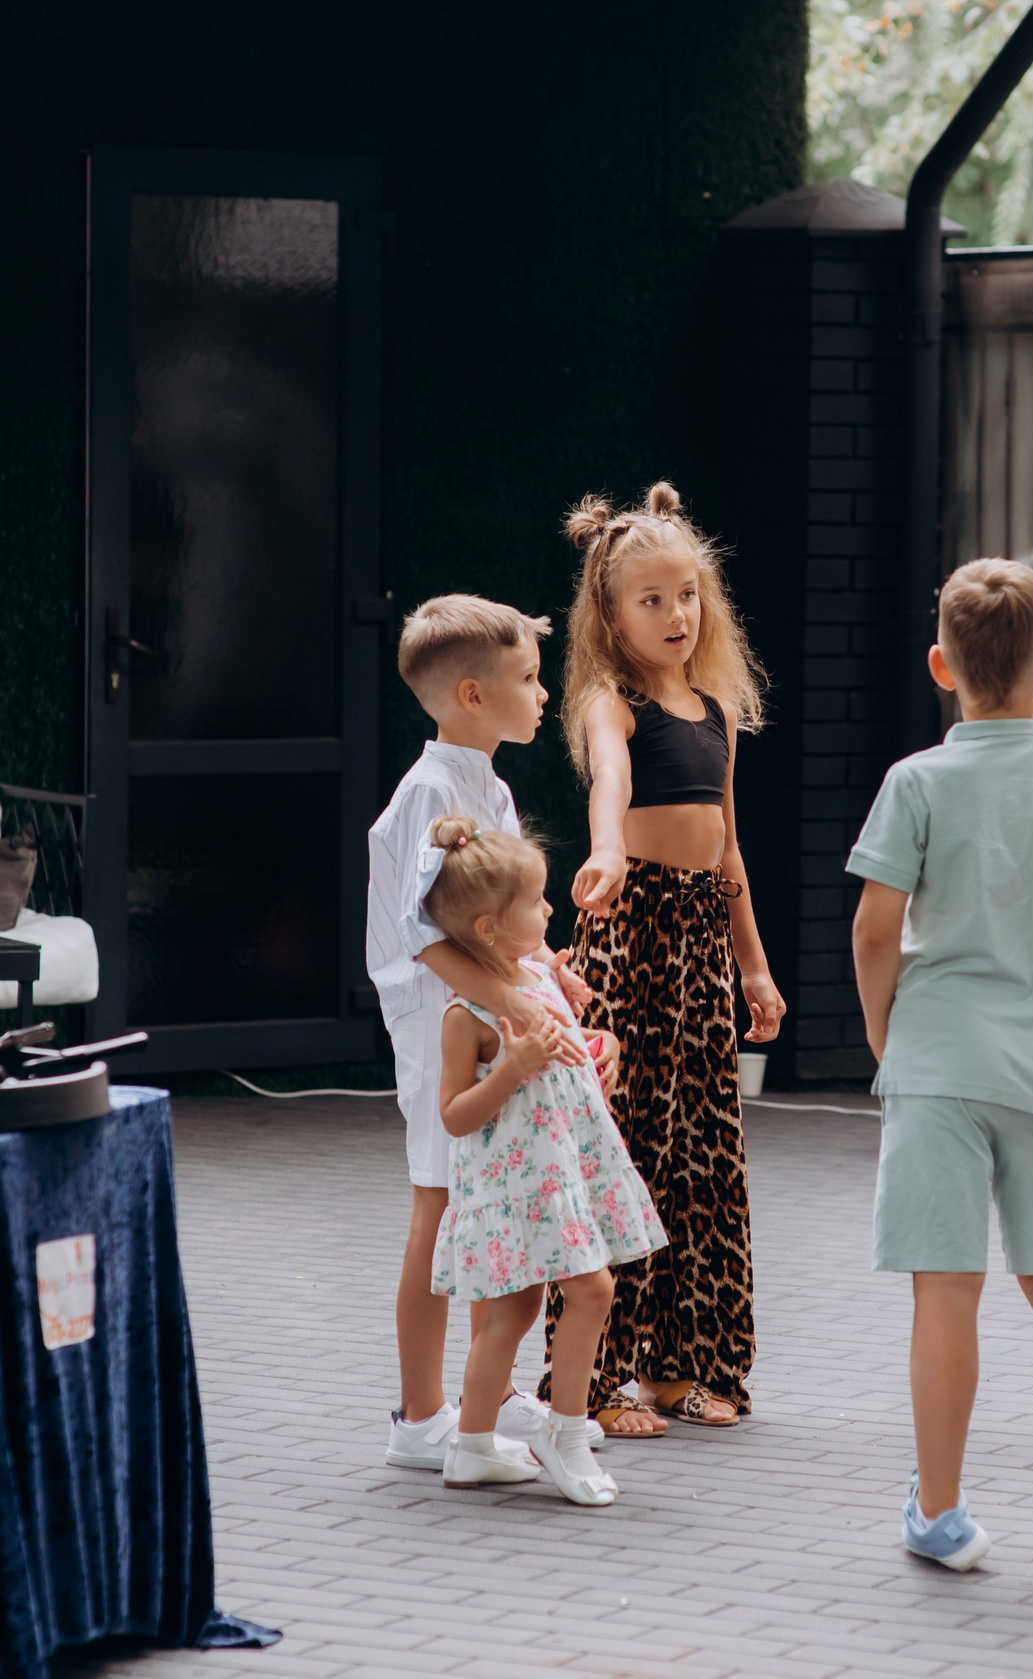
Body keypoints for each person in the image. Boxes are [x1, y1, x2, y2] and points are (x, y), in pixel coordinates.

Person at [847, 557, 1033, 1570]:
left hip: (937, 1057)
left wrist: (888, 1039)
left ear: (941, 664)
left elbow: (873, 931)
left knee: (946, 1289)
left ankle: (940, 1513)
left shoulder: (915, 782)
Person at [561, 481, 783, 1435]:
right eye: (651, 600)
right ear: (610, 615)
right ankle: (599, 1378)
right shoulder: (610, 705)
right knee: (631, 1148)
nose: (675, 614)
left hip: (699, 935)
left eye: (687, 594)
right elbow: (611, 788)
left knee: (706, 1156)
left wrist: (757, 968)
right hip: (632, 929)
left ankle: (683, 1364)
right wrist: (607, 853)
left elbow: (728, 851)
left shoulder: (718, 713)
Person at [364, 594, 591, 1472]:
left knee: (477, 1197)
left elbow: (483, 917)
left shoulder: (484, 781)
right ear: (469, 693)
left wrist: (540, 972)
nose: (543, 694)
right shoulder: (429, 790)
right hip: (440, 1026)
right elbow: (426, 938)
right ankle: (421, 1413)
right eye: (528, 679)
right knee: (440, 1200)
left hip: (484, 1017)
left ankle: (482, 1394)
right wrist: (519, 1002)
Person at [421, 814, 669, 1505]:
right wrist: (507, 1070)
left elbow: (569, 1050)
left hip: (558, 1168)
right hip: (517, 1185)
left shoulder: (535, 974)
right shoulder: (466, 1014)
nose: (550, 909)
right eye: (535, 902)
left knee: (517, 1309)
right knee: (591, 1289)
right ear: (489, 928)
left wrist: (600, 1049)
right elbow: (455, 1114)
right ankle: (564, 1430)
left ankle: (471, 1446)